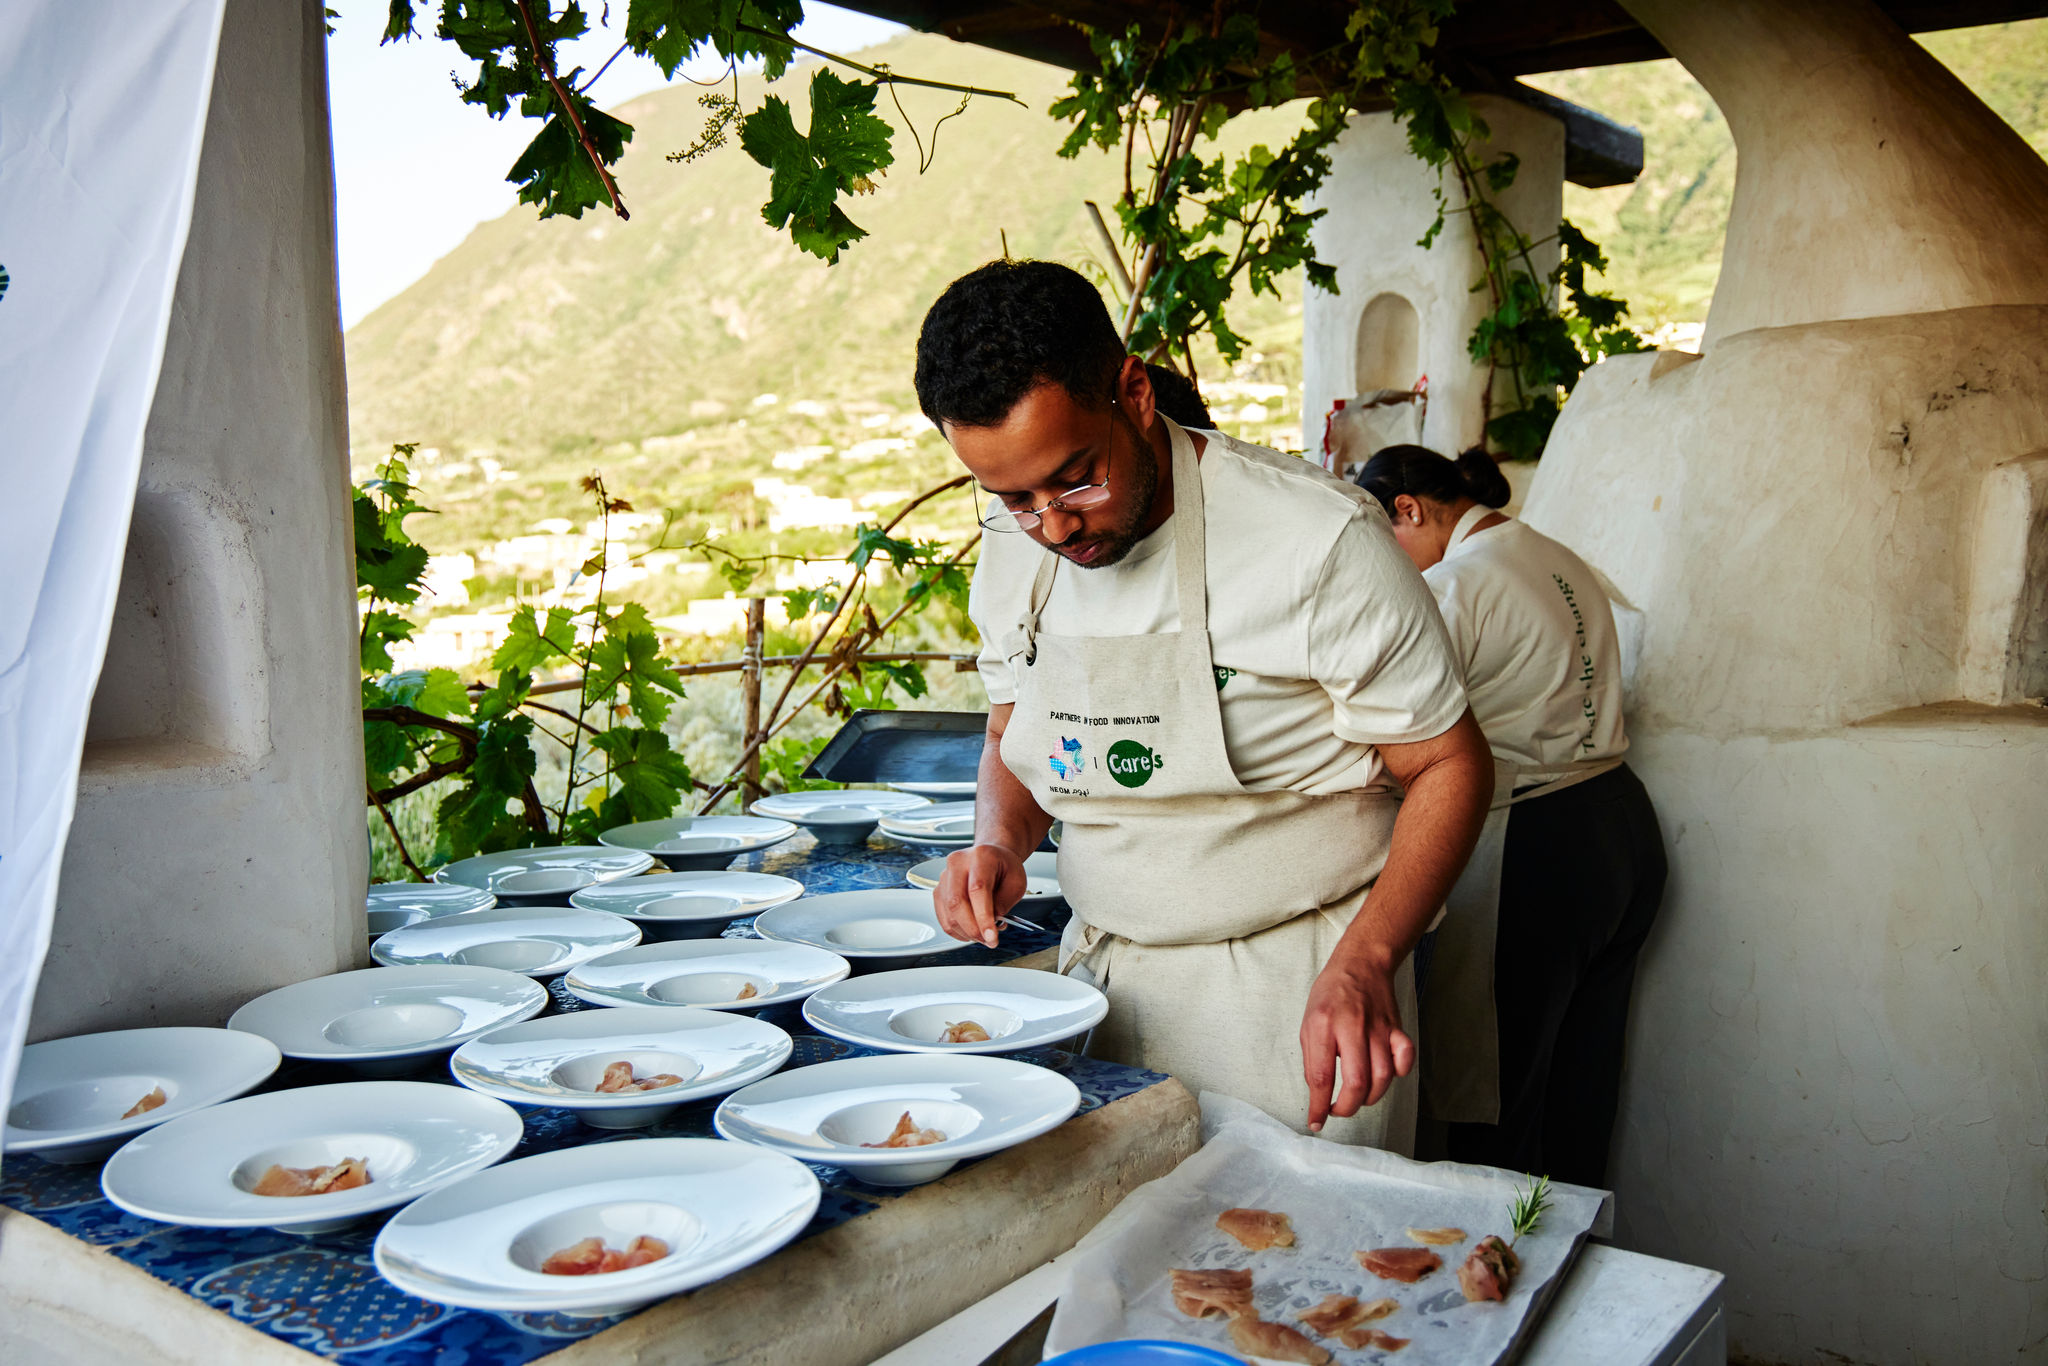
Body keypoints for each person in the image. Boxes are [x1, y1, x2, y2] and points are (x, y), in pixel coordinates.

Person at [915, 259, 1494, 1150]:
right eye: (1015, 500)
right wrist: (998, 839)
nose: (1054, 526)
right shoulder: (1016, 550)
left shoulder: (1315, 540)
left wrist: (1369, 959)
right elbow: (1012, 729)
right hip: (1103, 983)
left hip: (1295, 992)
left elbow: (1450, 763)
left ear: (1134, 392)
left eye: (1076, 479)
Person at [1356, 443, 1666, 1188]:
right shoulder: (1554, 552)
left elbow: (1399, 736)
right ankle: (1574, 1268)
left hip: (1538, 844)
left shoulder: (1458, 585)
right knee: (1579, 1084)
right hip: (1622, 825)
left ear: (1409, 510)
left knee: (1491, 1101)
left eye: (1383, 540)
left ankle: (1498, 1276)